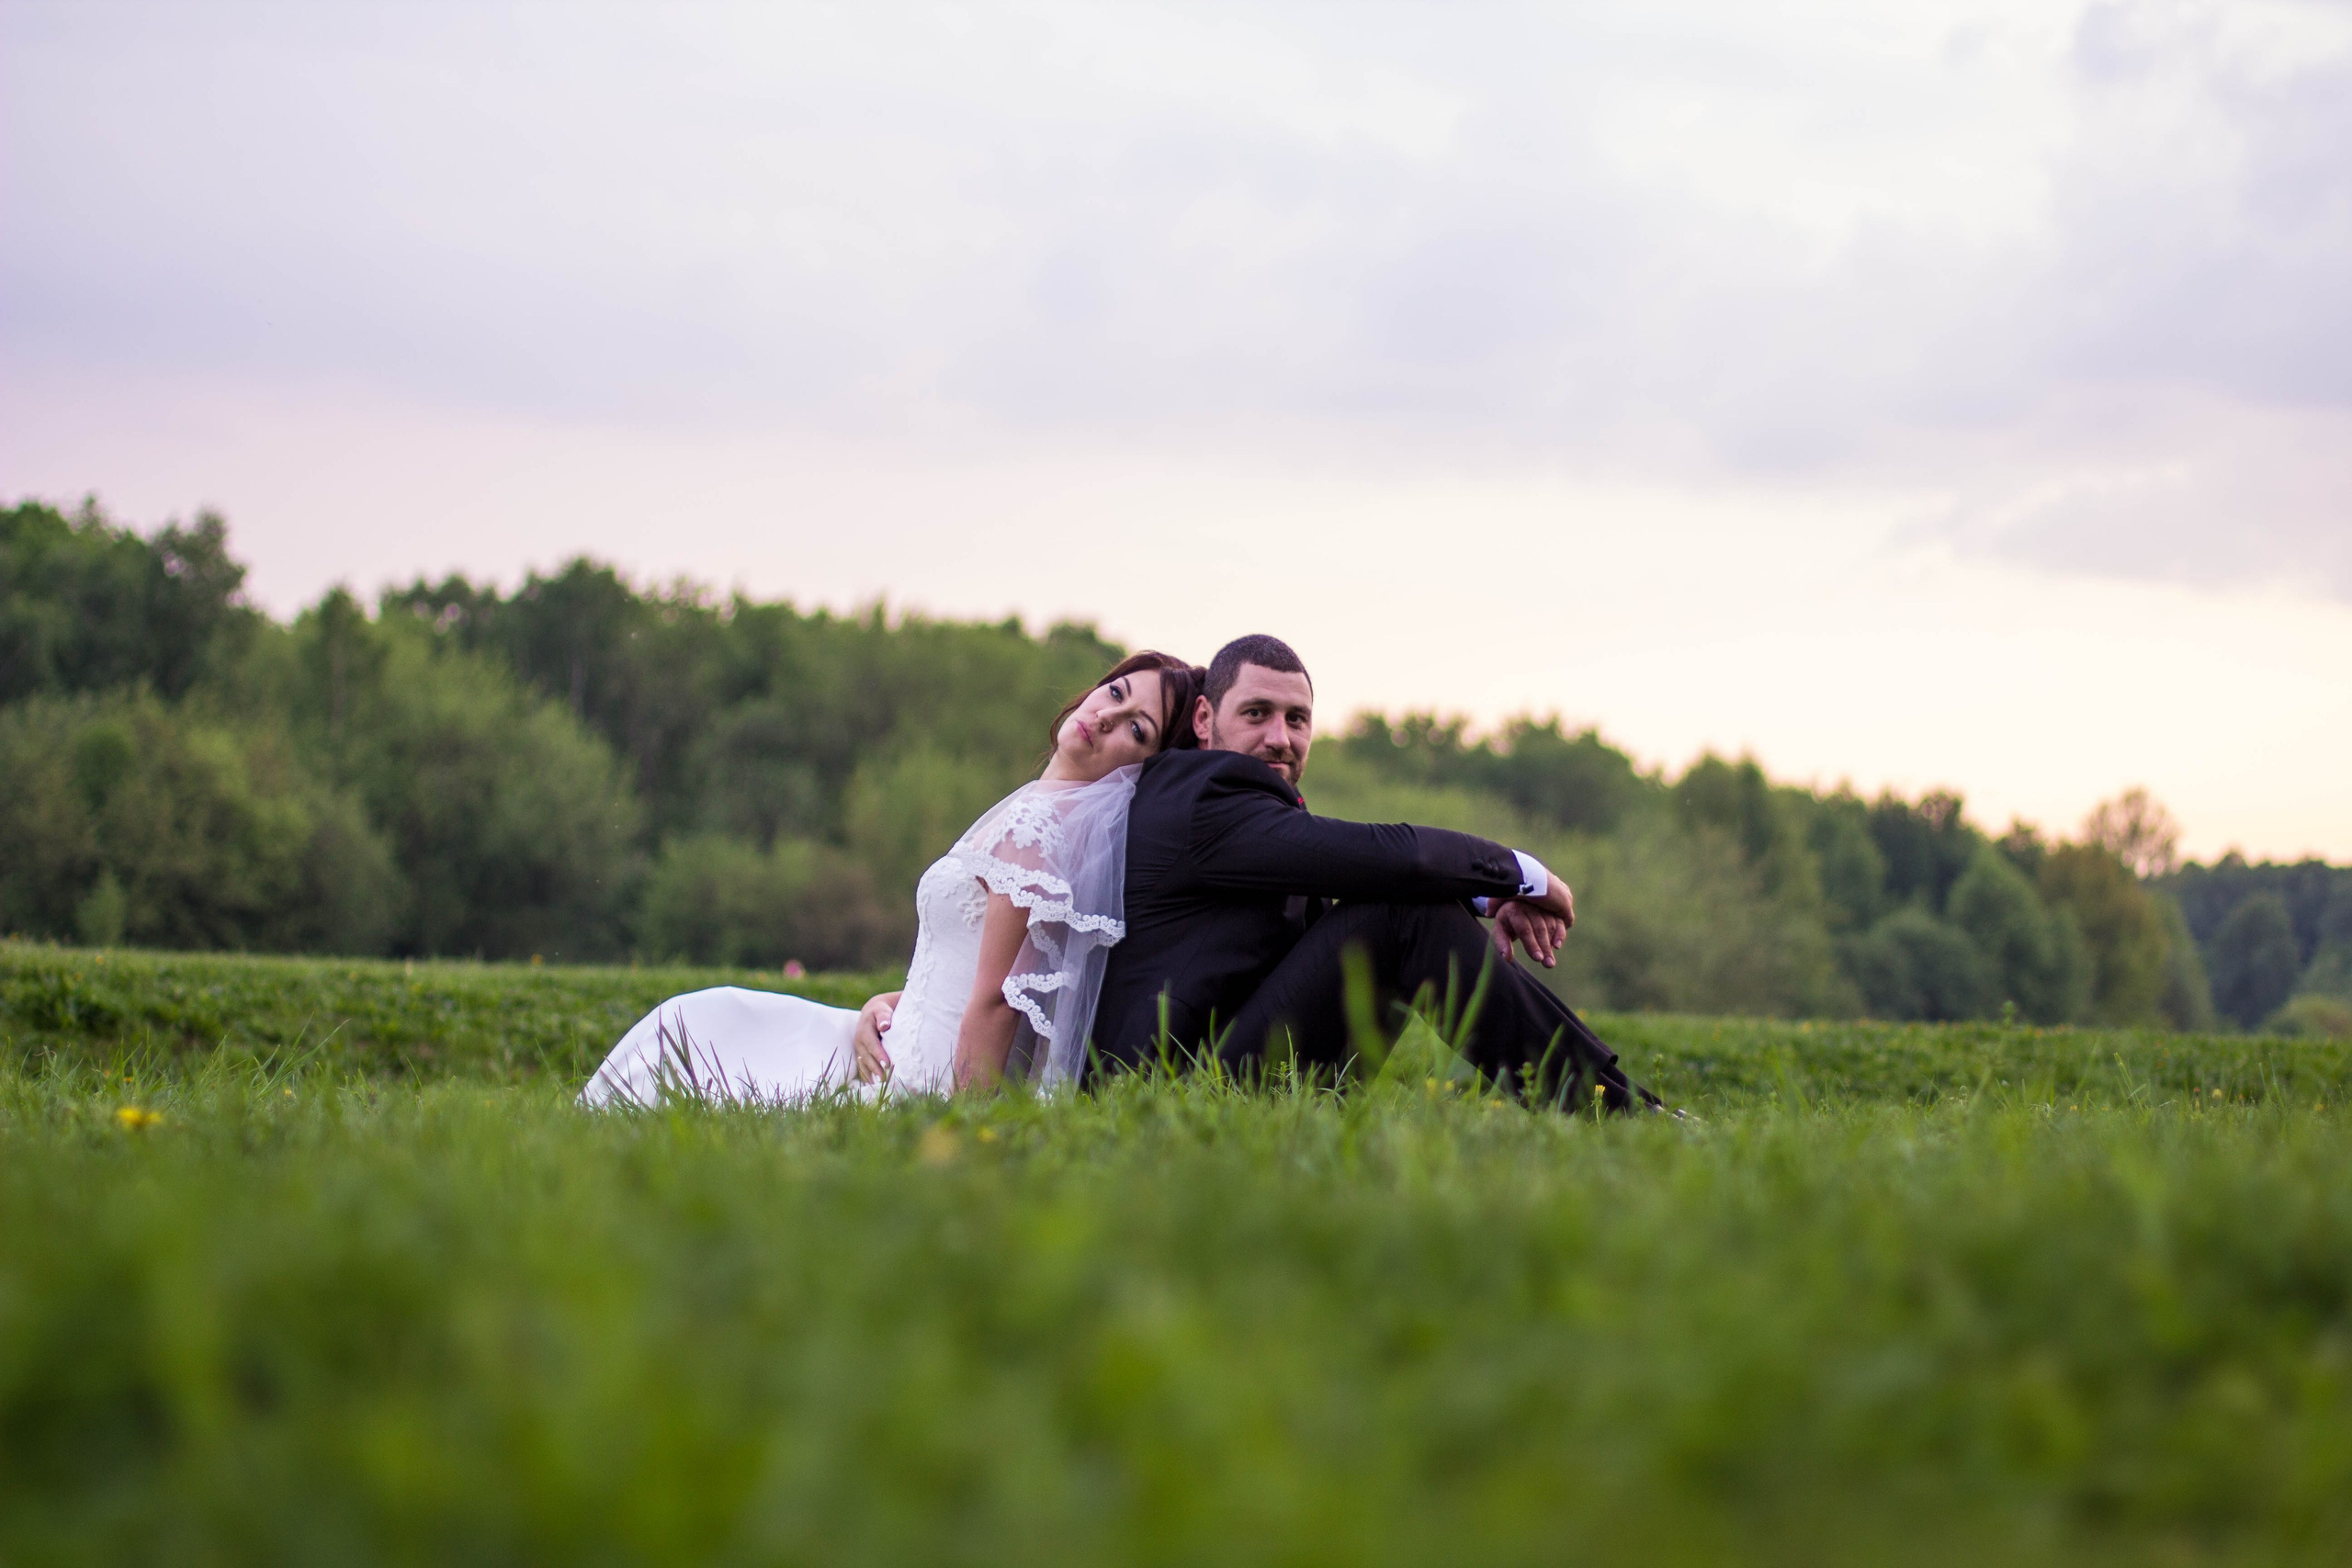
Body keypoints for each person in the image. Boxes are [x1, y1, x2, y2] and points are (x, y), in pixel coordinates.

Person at [580, 652, 1203, 1108]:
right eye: (1115, 691)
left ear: (1143, 769)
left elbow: (998, 1002)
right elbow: (980, 970)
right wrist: (886, 1007)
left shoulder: (1040, 830)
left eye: (1137, 728)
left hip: (923, 1080)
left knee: (701, 1032)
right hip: (900, 1037)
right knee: (709, 1017)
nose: (1107, 715)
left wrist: (960, 1126)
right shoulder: (1038, 816)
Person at [1092, 635, 1657, 1111]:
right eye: (1256, 713)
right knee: (1400, 910)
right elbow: (1396, 858)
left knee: (1403, 901)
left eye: (1297, 719)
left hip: (1224, 1074)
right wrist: (1520, 874)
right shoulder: (1203, 793)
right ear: (1204, 718)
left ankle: (1617, 1102)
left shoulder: (1242, 814)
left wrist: (1483, 900)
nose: (1280, 738)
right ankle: (1614, 1109)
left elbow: (1363, 878)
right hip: (1170, 1096)